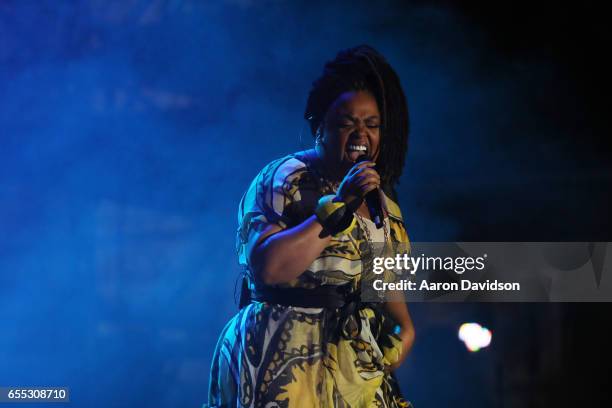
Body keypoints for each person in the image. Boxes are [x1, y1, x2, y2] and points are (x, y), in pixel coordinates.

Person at [206, 45, 415, 408]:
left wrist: (386, 355)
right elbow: (269, 268)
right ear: (319, 127)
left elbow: (396, 314)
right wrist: (339, 206)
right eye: (347, 122)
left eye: (372, 124)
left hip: (352, 379)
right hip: (281, 369)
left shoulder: (384, 206)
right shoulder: (284, 179)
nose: (360, 134)